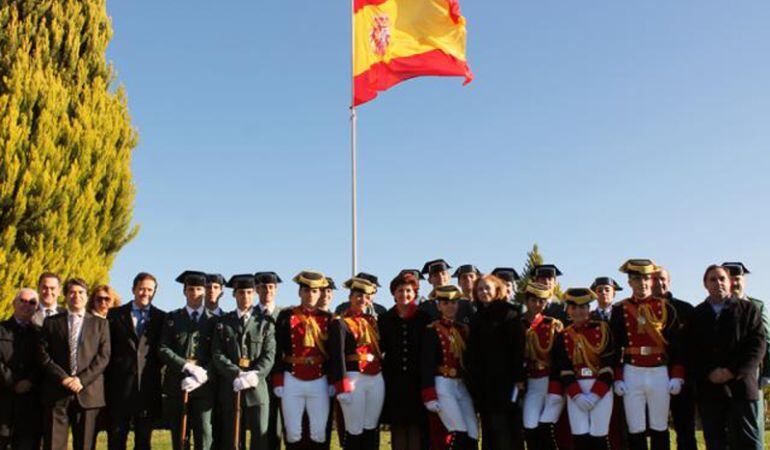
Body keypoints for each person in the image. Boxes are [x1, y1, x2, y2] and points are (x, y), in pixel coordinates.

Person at [689, 264, 765, 450]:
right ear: (705, 284)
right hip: (710, 388)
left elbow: (757, 345)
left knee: (748, 441)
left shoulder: (748, 309)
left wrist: (732, 371)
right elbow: (691, 350)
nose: (718, 283)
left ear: (730, 282)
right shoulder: (697, 314)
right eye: (712, 279)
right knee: (715, 441)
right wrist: (709, 372)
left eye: (722, 278)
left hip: (741, 387)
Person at [610, 259, 683, 450]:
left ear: (651, 280)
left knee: (660, 426)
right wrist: (618, 377)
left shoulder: (666, 307)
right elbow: (614, 346)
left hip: (659, 371)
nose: (642, 283)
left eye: (645, 279)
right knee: (635, 427)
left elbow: (677, 345)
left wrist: (677, 375)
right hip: (632, 371)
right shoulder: (620, 309)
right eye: (636, 279)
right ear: (629, 283)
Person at [37, 278, 111, 450]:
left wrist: (81, 380)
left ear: (86, 297)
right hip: (57, 392)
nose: (76, 296)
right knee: (53, 445)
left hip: (88, 393)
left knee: (85, 445)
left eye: (80, 292)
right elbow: (43, 355)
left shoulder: (101, 324)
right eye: (71, 292)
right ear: (65, 296)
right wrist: (63, 378)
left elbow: (103, 357)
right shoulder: (51, 322)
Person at [211, 274, 276, 450]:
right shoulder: (224, 323)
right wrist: (237, 373)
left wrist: (254, 374)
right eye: (241, 292)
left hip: (257, 389)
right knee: (232, 439)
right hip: (232, 388)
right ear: (234, 295)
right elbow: (217, 354)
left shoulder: (265, 323)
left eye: (249, 292)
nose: (245, 296)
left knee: (259, 439)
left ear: (255, 294)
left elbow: (269, 354)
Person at [105, 272, 166, 450]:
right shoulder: (115, 315)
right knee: (116, 440)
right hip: (119, 388)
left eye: (149, 290)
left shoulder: (161, 318)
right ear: (133, 289)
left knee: (143, 442)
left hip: (147, 389)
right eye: (141, 289)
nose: (145, 293)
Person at [273, 271, 332, 449]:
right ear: (299, 293)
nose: (310, 294)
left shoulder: (328, 318)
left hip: (320, 378)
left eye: (314, 291)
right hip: (292, 376)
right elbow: (277, 349)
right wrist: (278, 380)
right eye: (306, 291)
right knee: (292, 432)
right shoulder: (286, 316)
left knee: (319, 432)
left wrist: (332, 379)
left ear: (320, 293)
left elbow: (333, 353)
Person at [158, 271, 217, 450]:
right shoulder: (173, 318)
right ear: (184, 292)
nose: (194, 293)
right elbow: (163, 349)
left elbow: (218, 353)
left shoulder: (215, 321)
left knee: (204, 435)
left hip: (204, 387)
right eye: (190, 289)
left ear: (205, 292)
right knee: (179, 436)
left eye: (199, 289)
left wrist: (203, 373)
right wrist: (185, 366)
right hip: (177, 384)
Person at [550, 288, 614, 450]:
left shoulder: (603, 329)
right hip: (576, 389)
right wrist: (577, 395)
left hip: (601, 389)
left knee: (599, 437)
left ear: (588, 309)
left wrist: (595, 394)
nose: (578, 311)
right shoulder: (563, 335)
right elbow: (564, 368)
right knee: (580, 437)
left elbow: (608, 363)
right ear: (568, 310)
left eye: (583, 307)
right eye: (574, 307)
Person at [467, 275, 526, 450]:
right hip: (485, 385)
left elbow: (518, 349)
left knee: (507, 430)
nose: (484, 292)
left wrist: (518, 379)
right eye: (480, 289)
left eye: (487, 288)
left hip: (507, 383)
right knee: (490, 429)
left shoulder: (510, 313)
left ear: (497, 290)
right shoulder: (476, 318)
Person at [328, 277, 385, 449]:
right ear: (350, 297)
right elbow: (337, 355)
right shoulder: (341, 322)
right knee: (354, 429)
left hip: (375, 376)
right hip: (354, 376)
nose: (363, 300)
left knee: (371, 427)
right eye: (358, 295)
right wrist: (341, 384)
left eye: (367, 296)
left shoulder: (372, 321)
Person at [379, 272, 432, 450]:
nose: (404, 294)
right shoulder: (385, 319)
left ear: (415, 292)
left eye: (408, 290)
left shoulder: (424, 318)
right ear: (394, 294)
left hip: (417, 380)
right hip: (394, 381)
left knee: (416, 427)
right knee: (398, 426)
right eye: (400, 290)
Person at [421, 285, 478, 450]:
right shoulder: (432, 330)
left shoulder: (463, 329)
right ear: (439, 306)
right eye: (445, 303)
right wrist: (429, 394)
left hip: (461, 384)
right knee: (458, 430)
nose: (450, 306)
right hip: (443, 384)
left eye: (453, 302)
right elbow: (427, 363)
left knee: (473, 431)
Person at [722, 261, 770, 446]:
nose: (734, 282)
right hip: (725, 375)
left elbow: (767, 341)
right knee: (730, 428)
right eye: (730, 278)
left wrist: (767, 372)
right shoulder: (717, 307)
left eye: (738, 278)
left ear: (744, 280)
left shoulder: (757, 306)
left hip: (751, 374)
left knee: (752, 428)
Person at [652, 268, 697, 450]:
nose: (658, 283)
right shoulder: (640, 309)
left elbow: (694, 345)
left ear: (669, 281)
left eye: (662, 279)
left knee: (685, 428)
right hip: (651, 375)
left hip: (682, 377)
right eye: (654, 279)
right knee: (657, 428)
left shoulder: (685, 309)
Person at [520, 282, 564, 450]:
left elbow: (560, 357)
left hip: (551, 380)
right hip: (530, 382)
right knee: (530, 425)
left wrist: (557, 384)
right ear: (526, 301)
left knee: (547, 428)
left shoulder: (553, 324)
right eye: (534, 300)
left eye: (542, 301)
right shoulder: (517, 324)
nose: (538, 304)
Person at [0, 288, 43, 450]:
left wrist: (30, 381)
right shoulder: (1, 329)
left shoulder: (40, 334)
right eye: (22, 301)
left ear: (36, 308)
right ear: (14, 303)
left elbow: (42, 363)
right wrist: (13, 382)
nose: (27, 305)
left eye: (32, 302)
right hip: (3, 401)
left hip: (29, 406)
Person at [255, 271, 284, 450]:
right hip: (255, 377)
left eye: (271, 287)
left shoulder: (284, 315)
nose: (267, 290)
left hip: (277, 377)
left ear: (276, 290)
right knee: (255, 426)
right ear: (257, 289)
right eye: (263, 287)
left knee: (275, 426)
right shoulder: (249, 314)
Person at [419, 260, 474, 324]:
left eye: (443, 274)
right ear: (429, 280)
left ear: (449, 277)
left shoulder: (465, 303)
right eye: (435, 275)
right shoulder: (425, 307)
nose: (441, 277)